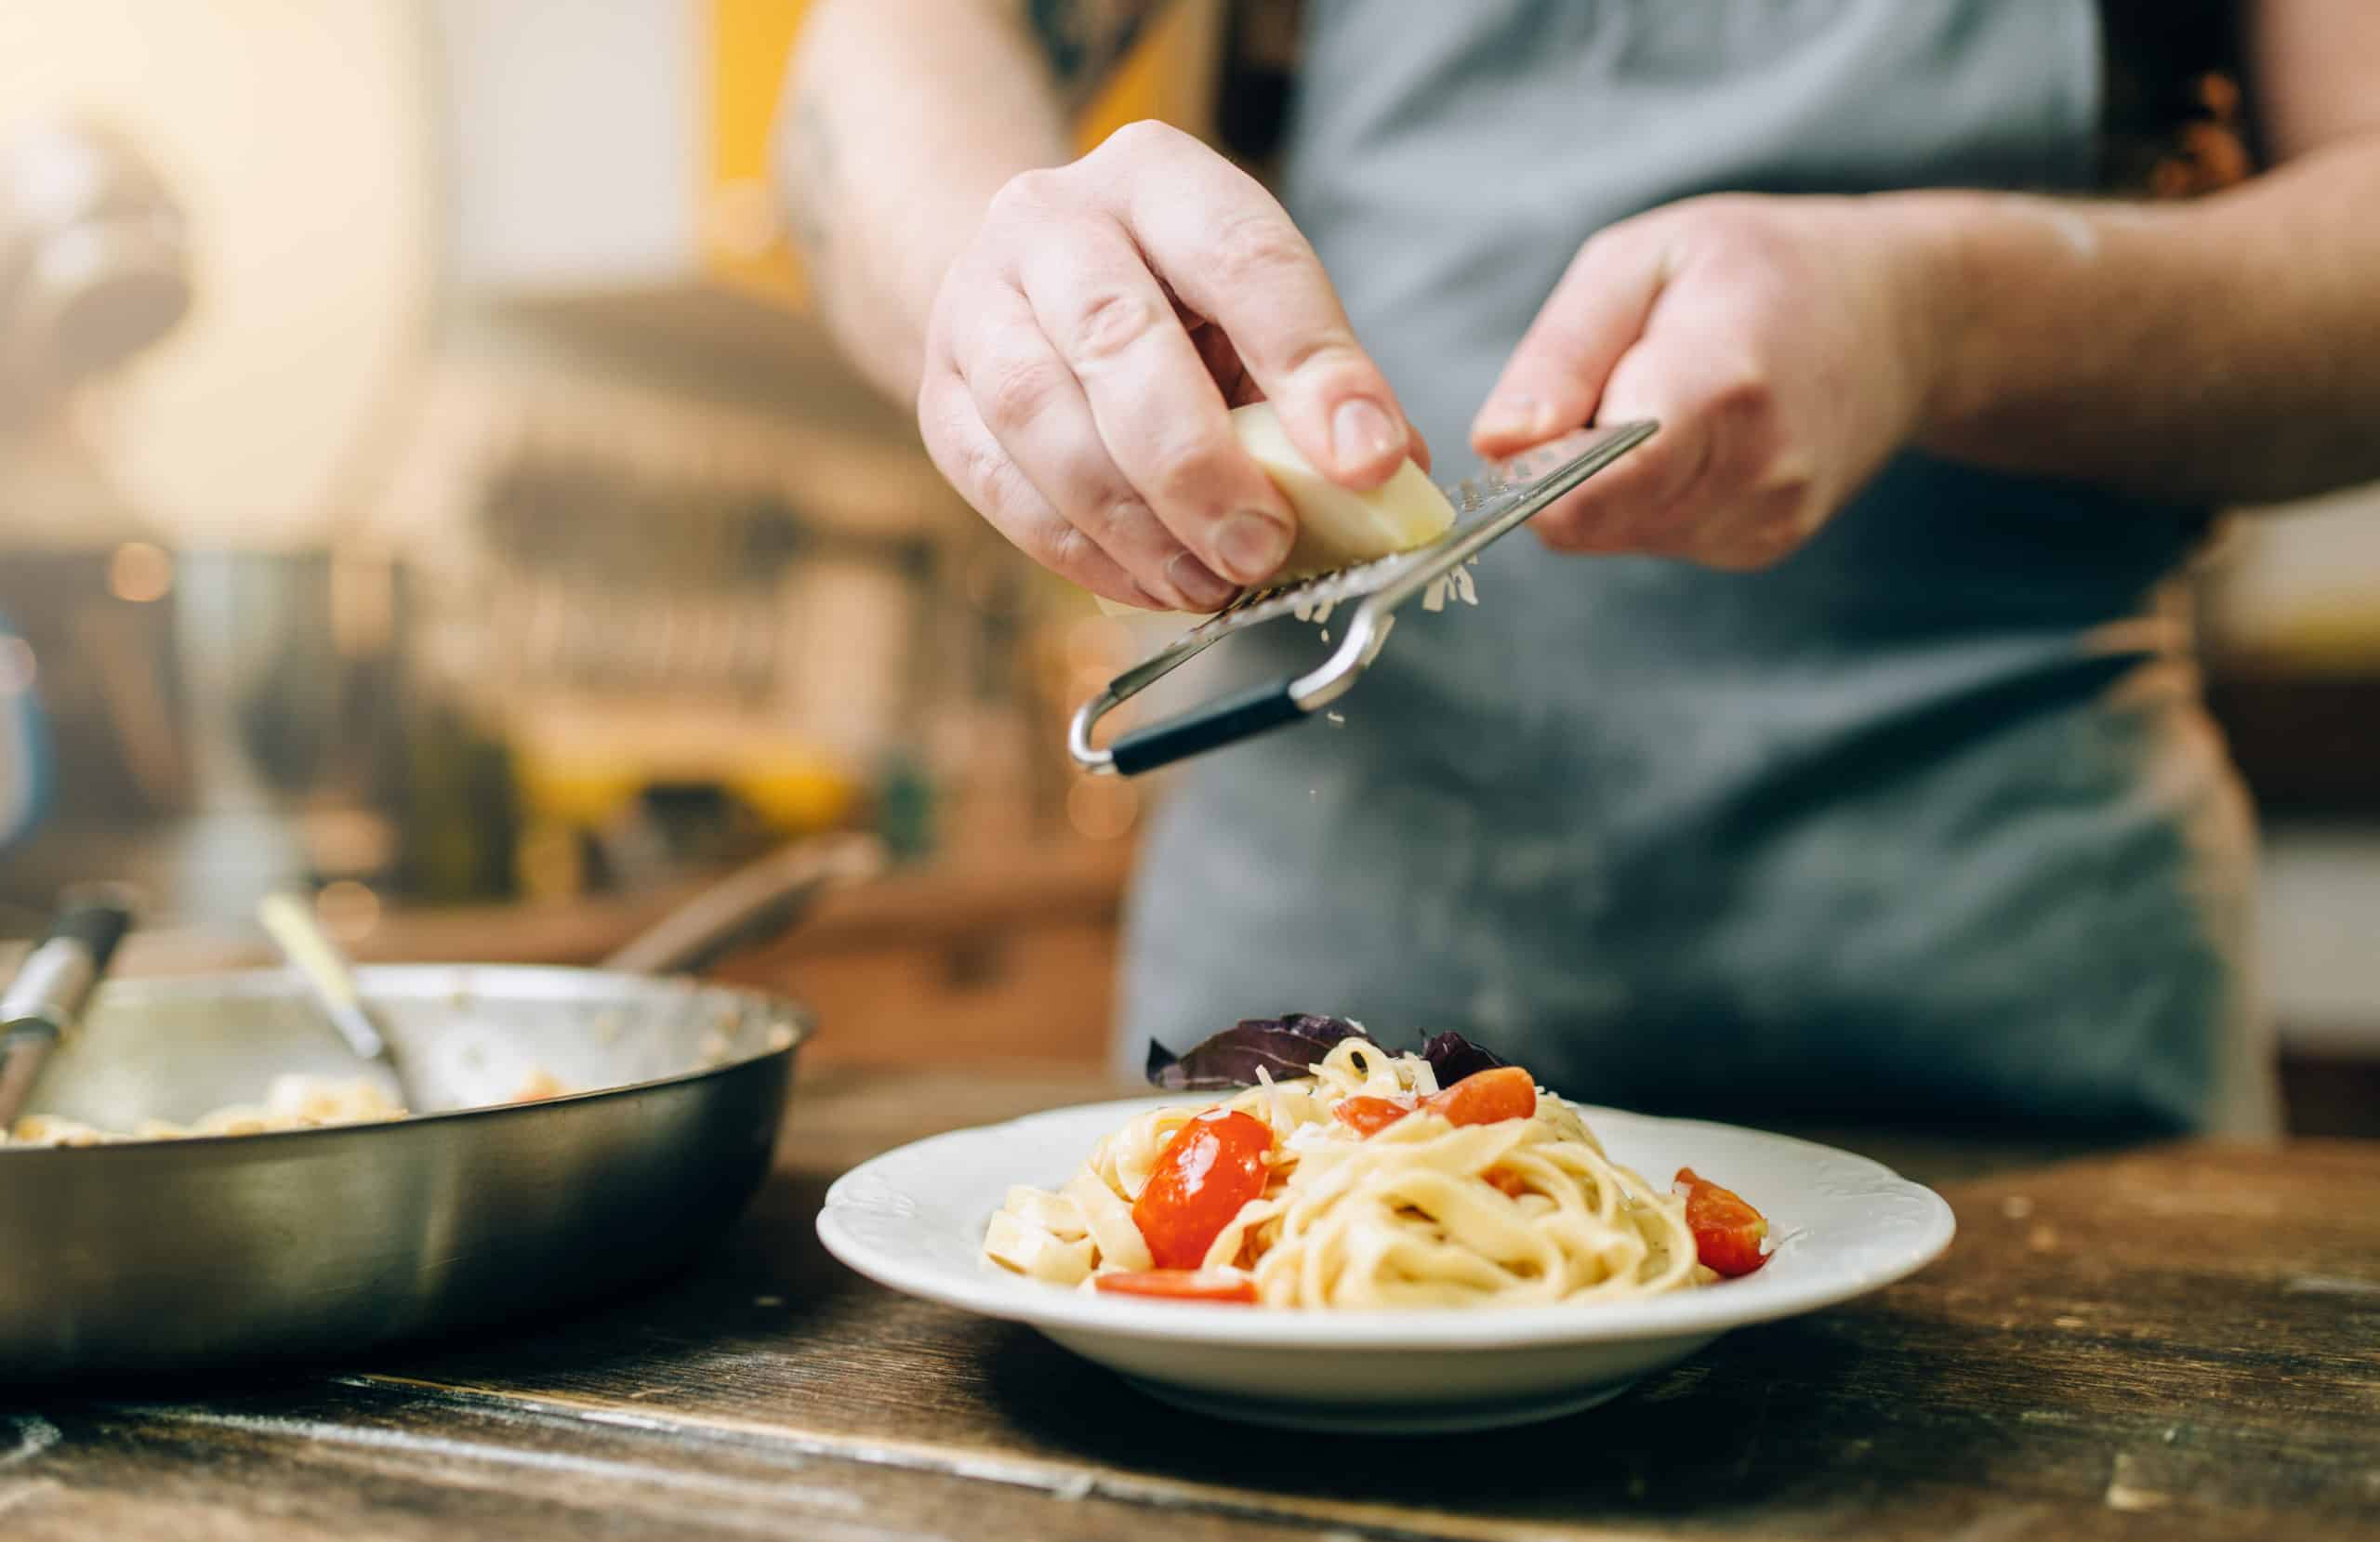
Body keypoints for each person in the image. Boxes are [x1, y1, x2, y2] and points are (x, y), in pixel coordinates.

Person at [780, 1, 2380, 1138]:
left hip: (2016, 1032)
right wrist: (988, 266)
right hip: (1312, 1057)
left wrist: (1943, 312)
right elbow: (879, 59)